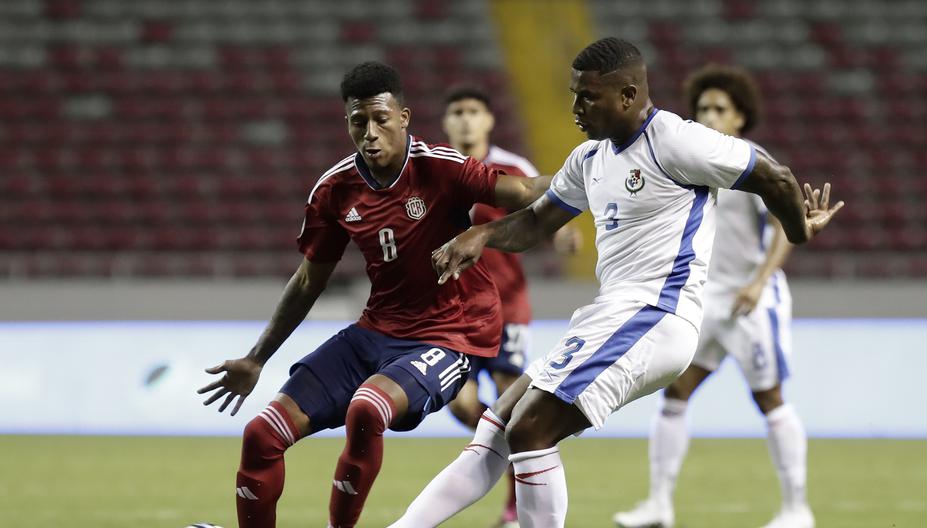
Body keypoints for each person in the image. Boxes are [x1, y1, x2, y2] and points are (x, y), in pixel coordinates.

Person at [388, 37, 842, 528]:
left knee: (532, 430)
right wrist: (480, 234)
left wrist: (800, 229)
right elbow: (536, 223)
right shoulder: (591, 159)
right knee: (498, 424)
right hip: (611, 314)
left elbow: (772, 176)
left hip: (658, 315)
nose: (577, 107)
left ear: (628, 96)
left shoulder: (675, 139)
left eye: (589, 96)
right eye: (574, 95)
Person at [197, 61, 552, 528]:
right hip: (376, 330)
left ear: (403, 118)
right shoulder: (334, 190)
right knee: (261, 434)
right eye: (357, 121)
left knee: (368, 407)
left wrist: (595, 169)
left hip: (451, 332)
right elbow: (308, 281)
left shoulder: (440, 168)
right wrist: (256, 358)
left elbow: (526, 189)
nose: (370, 132)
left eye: (381, 119)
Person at [613, 64, 813, 528]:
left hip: (751, 298)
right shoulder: (689, 159)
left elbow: (789, 222)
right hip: (704, 299)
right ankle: (659, 504)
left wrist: (760, 281)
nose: (707, 115)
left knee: (770, 399)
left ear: (740, 117)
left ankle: (796, 509)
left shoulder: (751, 160)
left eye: (719, 108)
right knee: (676, 392)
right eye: (702, 107)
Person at [441, 85, 582, 528]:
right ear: (447, 122)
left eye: (473, 112)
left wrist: (562, 237)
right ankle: (506, 450)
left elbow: (546, 207)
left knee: (511, 403)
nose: (465, 120)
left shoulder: (513, 168)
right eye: (457, 112)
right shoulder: (434, 168)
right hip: (452, 313)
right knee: (462, 406)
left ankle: (512, 505)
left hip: (506, 309)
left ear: (488, 121)